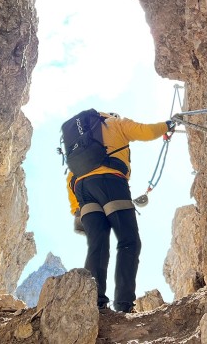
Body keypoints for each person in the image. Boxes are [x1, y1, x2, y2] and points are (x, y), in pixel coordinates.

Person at [65, 111, 175, 313]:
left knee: (97, 245)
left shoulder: (80, 144)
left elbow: (70, 179)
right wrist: (167, 126)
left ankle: (96, 303)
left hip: (83, 191)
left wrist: (77, 211)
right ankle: (124, 304)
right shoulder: (115, 123)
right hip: (111, 182)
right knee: (129, 241)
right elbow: (146, 131)